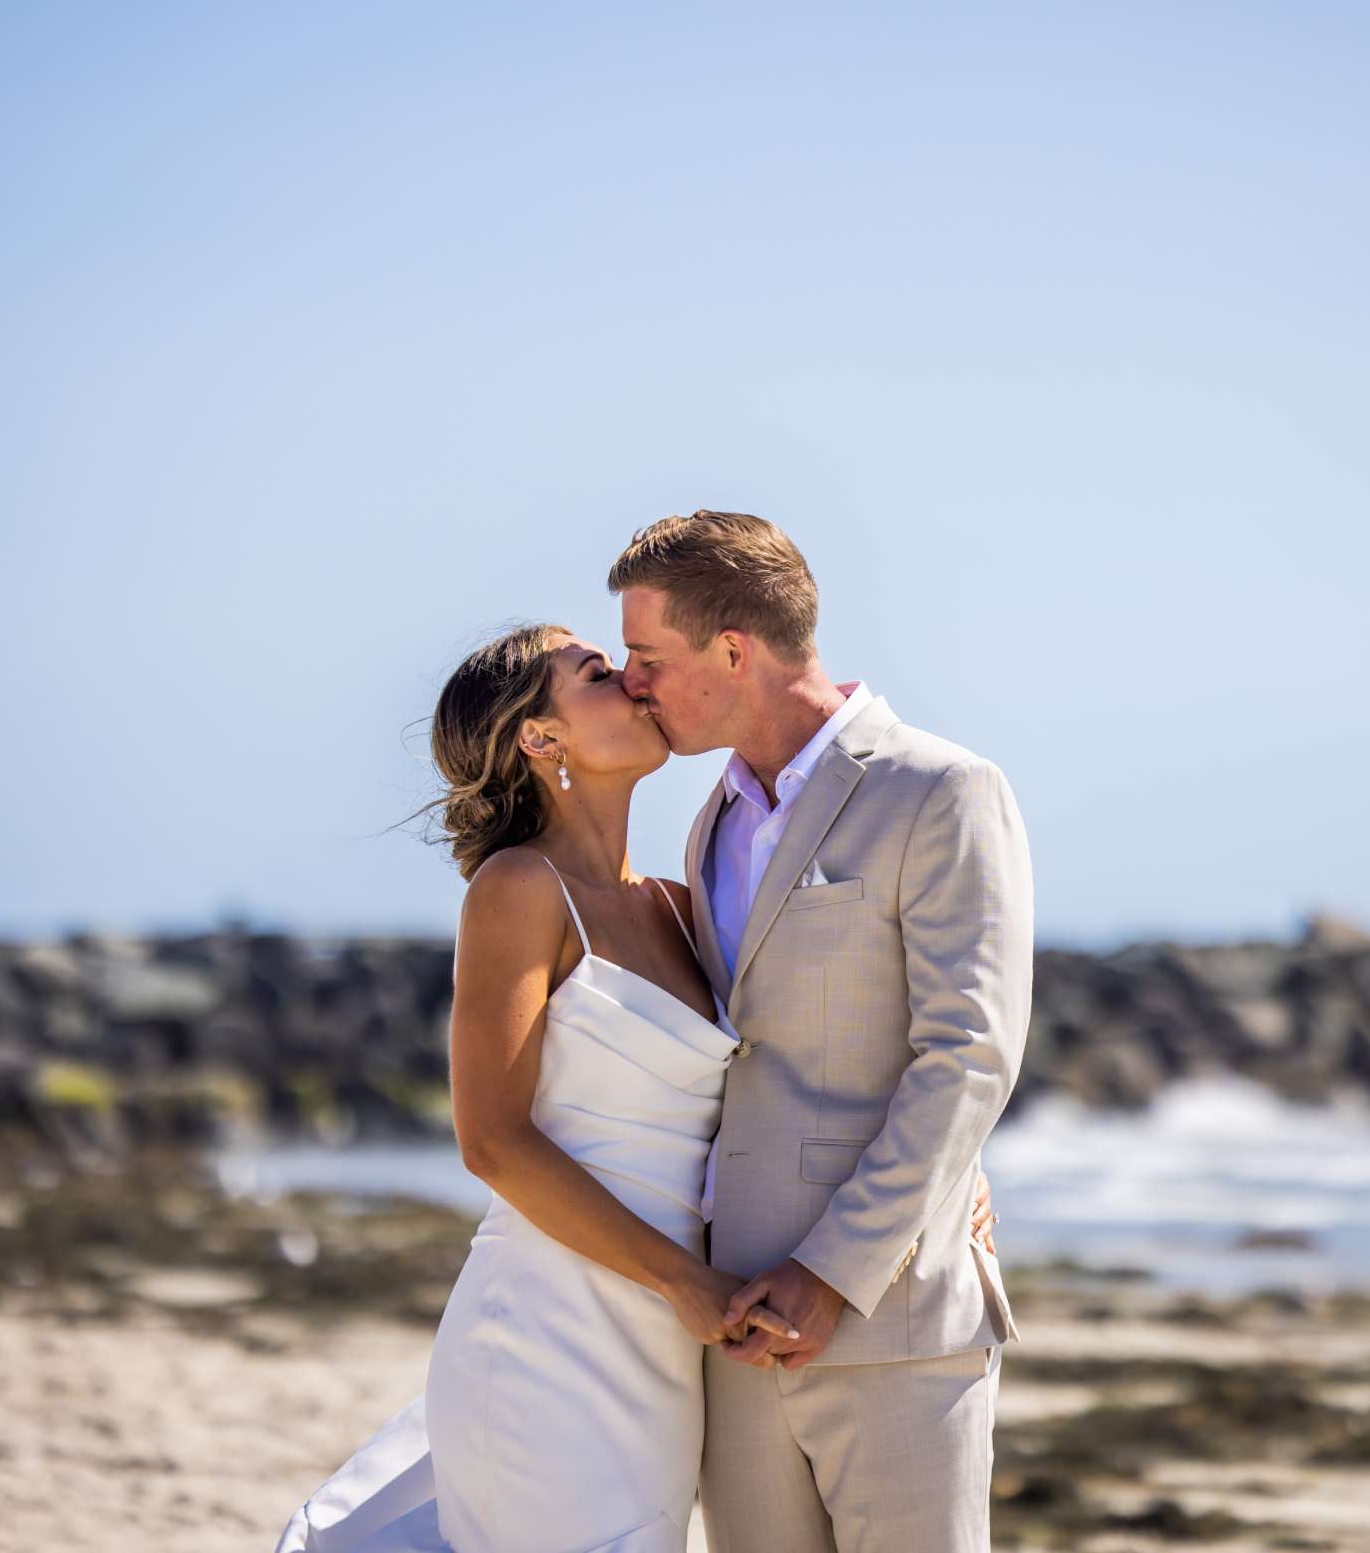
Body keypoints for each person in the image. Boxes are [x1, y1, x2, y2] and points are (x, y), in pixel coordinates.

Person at [276, 605, 1004, 1552]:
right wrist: (682, 1284)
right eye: (594, 674)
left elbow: (785, 1066)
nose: (632, 681)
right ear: (541, 737)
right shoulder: (518, 890)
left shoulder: (677, 896)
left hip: (672, 1344)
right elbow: (492, 1141)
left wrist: (951, 1179)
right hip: (552, 1324)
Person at [610, 512, 1031, 1552]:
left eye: (648, 655)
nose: (630, 682)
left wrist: (834, 1269)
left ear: (735, 650)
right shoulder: (713, 818)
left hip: (892, 1328)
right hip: (734, 1330)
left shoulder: (940, 790)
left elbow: (969, 1054)